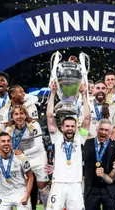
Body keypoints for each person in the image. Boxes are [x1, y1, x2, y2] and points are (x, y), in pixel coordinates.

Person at [45, 81, 91, 210]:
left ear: (76, 127)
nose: (70, 129)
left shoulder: (80, 137)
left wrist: (84, 94)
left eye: (72, 126)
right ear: (62, 127)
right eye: (67, 126)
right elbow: (49, 116)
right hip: (58, 183)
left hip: (76, 184)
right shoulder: (57, 137)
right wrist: (52, 93)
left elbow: (87, 118)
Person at [4, 105, 50, 209]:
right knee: (25, 188)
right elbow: (7, 145)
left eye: (21, 113)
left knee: (42, 188)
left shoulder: (34, 125)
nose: (19, 116)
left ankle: (48, 207)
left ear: (25, 115)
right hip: (23, 159)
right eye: (16, 114)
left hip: (38, 157)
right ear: (12, 117)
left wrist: (22, 152)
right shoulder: (9, 129)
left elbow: (38, 147)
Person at [83, 119, 115, 210]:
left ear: (110, 132)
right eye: (101, 129)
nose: (103, 132)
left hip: (110, 190)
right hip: (91, 189)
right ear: (97, 130)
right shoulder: (87, 143)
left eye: (106, 130)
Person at [0, 132, 34, 210]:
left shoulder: (20, 157)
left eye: (8, 141)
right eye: (3, 141)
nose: (6, 143)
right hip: (4, 195)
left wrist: (27, 195)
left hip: (20, 192)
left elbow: (30, 177)